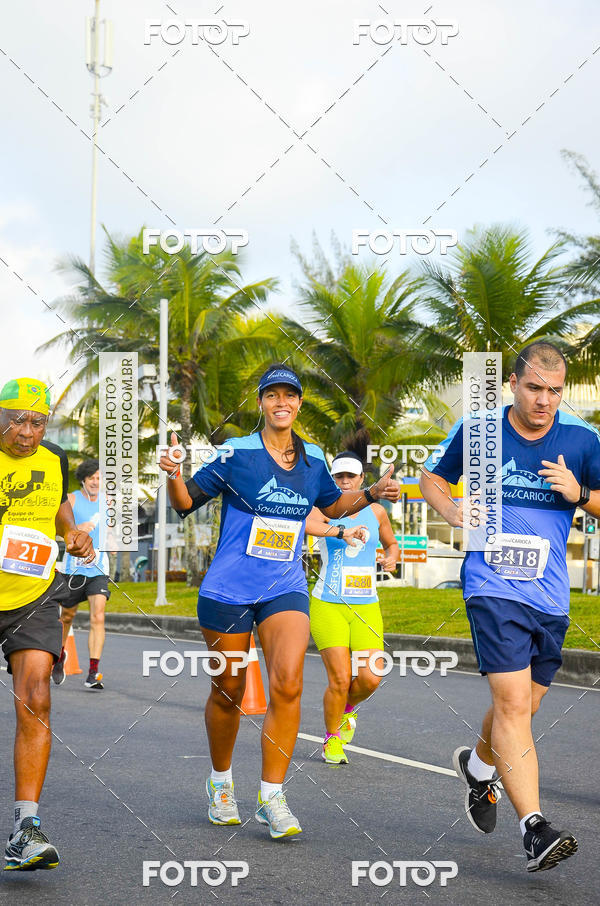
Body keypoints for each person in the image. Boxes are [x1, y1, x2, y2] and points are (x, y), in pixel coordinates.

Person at [160, 363, 399, 839]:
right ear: (262, 403)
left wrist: (371, 494)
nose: (282, 403)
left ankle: (272, 795)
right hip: (228, 588)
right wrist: (173, 474)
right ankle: (221, 783)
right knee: (228, 688)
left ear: (299, 404)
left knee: (288, 685)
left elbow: (331, 507)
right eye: (273, 396)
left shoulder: (312, 460)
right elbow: (185, 502)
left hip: (283, 587)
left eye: (290, 396)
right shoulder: (237, 454)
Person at [420, 341, 600, 872]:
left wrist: (579, 494)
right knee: (515, 705)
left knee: (525, 703)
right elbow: (431, 477)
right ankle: (534, 829)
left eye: (554, 391)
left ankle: (478, 766)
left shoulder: (582, 440)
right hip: (492, 585)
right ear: (513, 384)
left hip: (549, 594)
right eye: (534, 388)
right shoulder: (479, 433)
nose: (544, 401)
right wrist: (452, 509)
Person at [0, 378, 94, 872]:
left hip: (32, 595)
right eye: (16, 419)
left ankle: (25, 829)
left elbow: (57, 510)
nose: (26, 431)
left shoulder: (54, 459)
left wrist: (73, 533)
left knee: (36, 694)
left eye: (37, 422)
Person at [305, 450, 399, 764]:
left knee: (372, 677)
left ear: (361, 479)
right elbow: (308, 525)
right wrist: (341, 531)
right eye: (339, 477)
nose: (345, 482)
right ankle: (332, 741)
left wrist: (392, 558)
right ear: (332, 480)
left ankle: (345, 710)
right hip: (327, 604)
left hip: (366, 606)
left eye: (351, 476)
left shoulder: (376, 511)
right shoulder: (323, 508)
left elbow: (392, 544)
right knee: (341, 677)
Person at [52, 459, 110, 690]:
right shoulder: (71, 499)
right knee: (66, 617)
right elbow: (57, 531)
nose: (96, 482)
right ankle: (59, 656)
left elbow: (112, 530)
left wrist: (114, 542)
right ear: (83, 480)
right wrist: (76, 530)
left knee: (98, 616)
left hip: (98, 569)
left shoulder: (108, 502)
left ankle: (93, 672)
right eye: (92, 478)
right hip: (73, 569)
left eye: (99, 478)